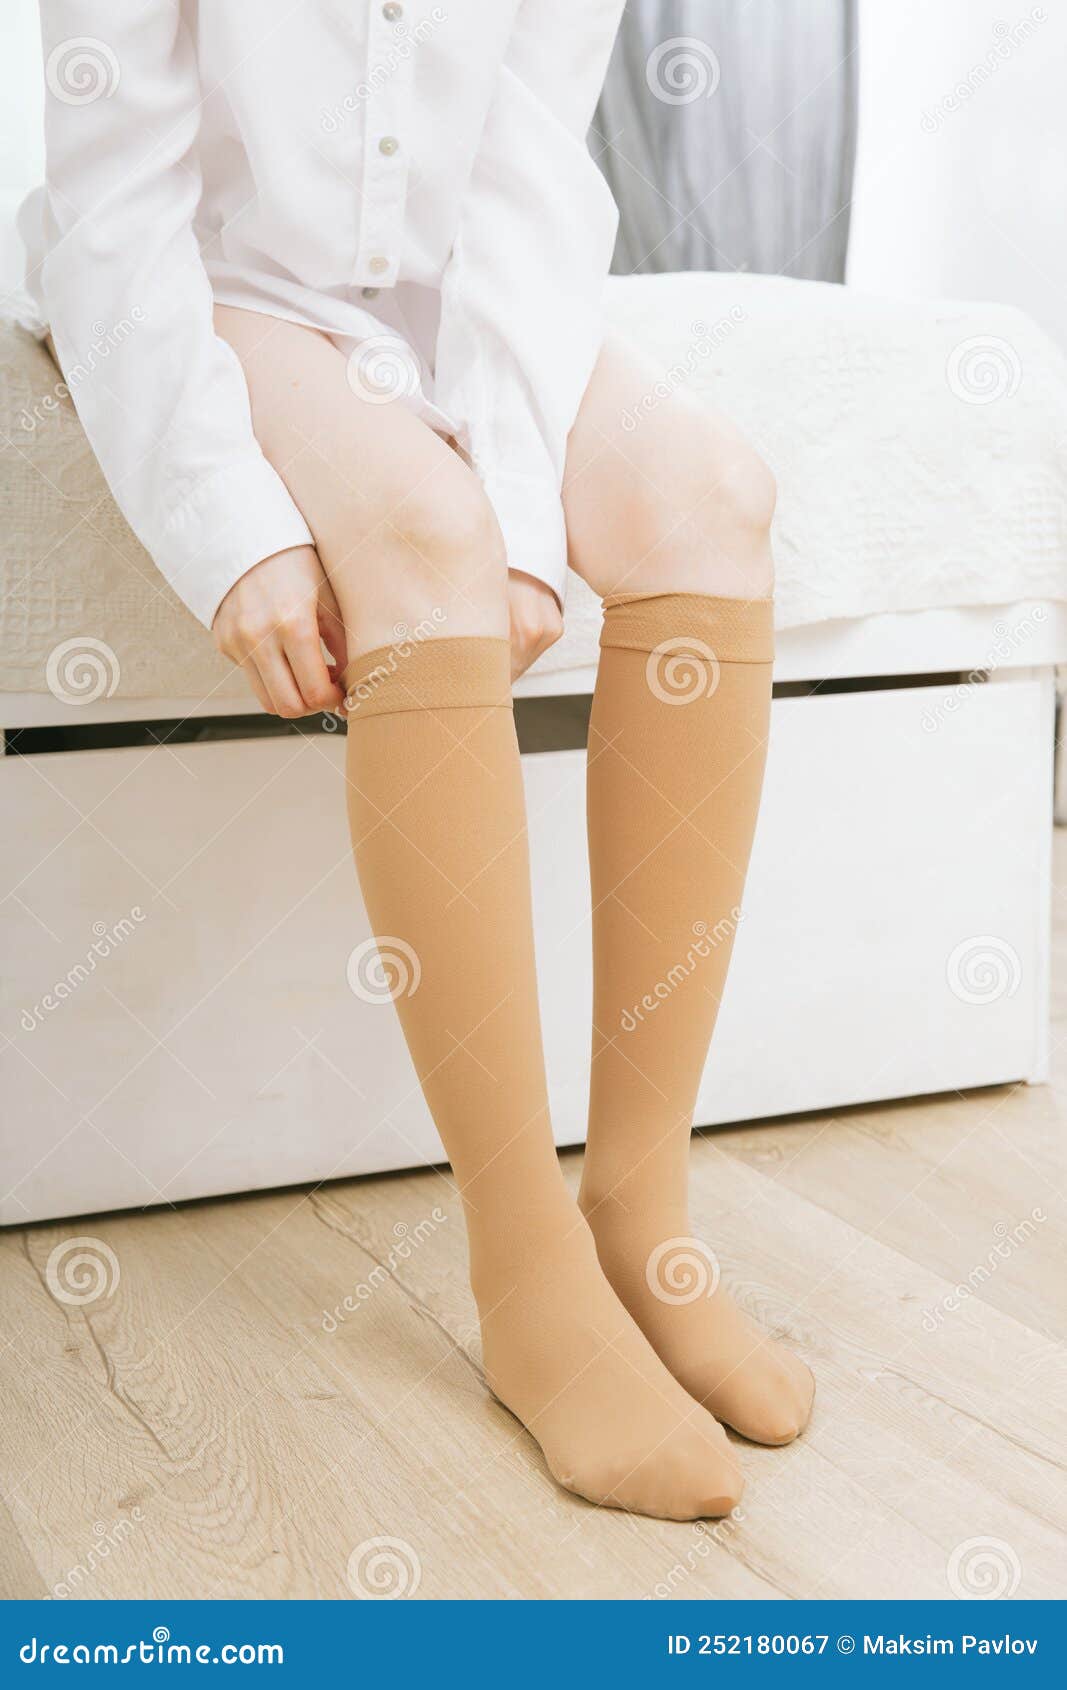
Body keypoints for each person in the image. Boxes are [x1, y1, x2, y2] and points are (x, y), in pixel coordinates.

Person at [25, 0, 812, 1521]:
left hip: (457, 301)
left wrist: (526, 501)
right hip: (212, 288)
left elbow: (526, 169)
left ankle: (640, 1212)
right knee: (426, 539)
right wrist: (228, 527)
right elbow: (119, 199)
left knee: (714, 496)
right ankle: (527, 1273)